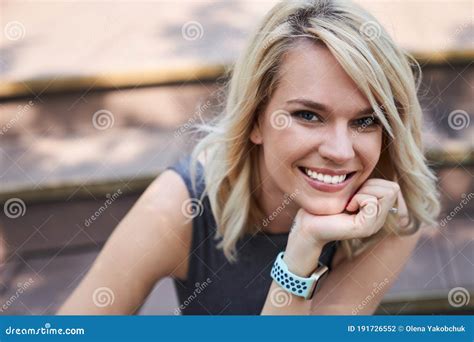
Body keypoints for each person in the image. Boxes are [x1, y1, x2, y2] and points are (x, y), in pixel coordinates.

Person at [58, 0, 440, 315]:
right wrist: (297, 259)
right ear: (255, 120)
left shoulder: (389, 217)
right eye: (308, 115)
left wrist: (303, 247)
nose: (340, 152)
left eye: (365, 120)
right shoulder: (180, 206)